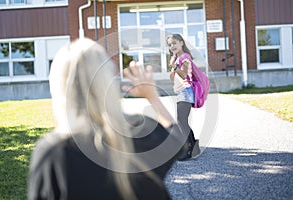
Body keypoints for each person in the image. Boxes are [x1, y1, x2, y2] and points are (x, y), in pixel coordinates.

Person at [27, 38, 187, 200]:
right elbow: (178, 142)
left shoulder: (54, 152)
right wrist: (152, 97)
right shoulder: (139, 132)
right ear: (107, 80)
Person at [166, 33, 201, 161]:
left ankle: (188, 150)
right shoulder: (177, 58)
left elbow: (185, 76)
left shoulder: (185, 57)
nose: (172, 46)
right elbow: (172, 78)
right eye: (170, 45)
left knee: (181, 121)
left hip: (186, 91)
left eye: (174, 43)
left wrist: (174, 66)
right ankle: (194, 148)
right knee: (182, 121)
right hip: (181, 92)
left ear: (181, 43)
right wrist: (173, 67)